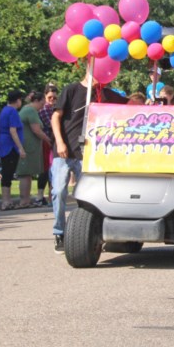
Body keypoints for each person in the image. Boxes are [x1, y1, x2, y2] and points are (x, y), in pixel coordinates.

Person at [51, 73, 126, 253]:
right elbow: (56, 117)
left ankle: (87, 231)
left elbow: (129, 104)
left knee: (90, 195)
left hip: (89, 153)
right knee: (59, 190)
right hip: (65, 150)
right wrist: (60, 142)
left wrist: (146, 102)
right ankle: (59, 231)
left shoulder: (105, 94)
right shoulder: (71, 89)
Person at [16, 91, 51, 208]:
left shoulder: (27, 109)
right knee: (26, 174)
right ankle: (24, 201)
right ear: (36, 101)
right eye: (42, 103)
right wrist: (48, 140)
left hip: (28, 145)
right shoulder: (31, 111)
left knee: (28, 174)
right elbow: (36, 129)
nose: (42, 106)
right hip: (28, 146)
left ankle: (26, 200)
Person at [0, 90, 26, 211]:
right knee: (8, 173)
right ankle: (6, 201)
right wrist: (20, 148)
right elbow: (13, 131)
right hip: (10, 146)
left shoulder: (4, 110)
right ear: (18, 100)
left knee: (6, 173)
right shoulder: (13, 111)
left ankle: (7, 200)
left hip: (3, 143)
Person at [35, 84, 58, 205]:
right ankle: (41, 196)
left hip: (54, 141)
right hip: (47, 141)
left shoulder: (56, 109)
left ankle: (51, 196)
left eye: (54, 97)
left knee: (53, 170)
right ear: (45, 96)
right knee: (46, 169)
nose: (52, 100)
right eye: (50, 97)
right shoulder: (45, 109)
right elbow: (51, 125)